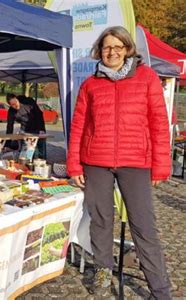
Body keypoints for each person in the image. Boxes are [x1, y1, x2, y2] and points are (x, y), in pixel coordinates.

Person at [67, 26, 171, 298]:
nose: (111, 52)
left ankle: (159, 288)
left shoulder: (147, 78)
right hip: (96, 161)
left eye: (117, 46)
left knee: (143, 226)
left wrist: (161, 165)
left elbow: (159, 123)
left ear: (127, 49)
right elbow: (78, 125)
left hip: (136, 162)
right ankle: (102, 273)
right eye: (106, 47)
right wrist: (74, 165)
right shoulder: (90, 84)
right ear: (99, 50)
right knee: (101, 221)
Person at [5, 94, 46, 159]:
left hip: (38, 127)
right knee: (27, 150)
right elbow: (9, 126)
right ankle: (28, 163)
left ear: (17, 99)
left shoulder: (28, 102)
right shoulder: (11, 111)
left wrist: (42, 129)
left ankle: (42, 162)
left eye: (15, 102)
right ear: (10, 105)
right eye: (12, 105)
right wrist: (7, 144)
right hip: (25, 130)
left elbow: (39, 115)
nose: (15, 105)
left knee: (40, 148)